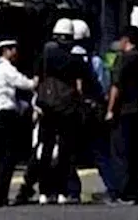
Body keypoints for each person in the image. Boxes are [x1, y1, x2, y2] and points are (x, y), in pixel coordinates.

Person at [35, 18, 84, 204]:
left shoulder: (45, 55)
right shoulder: (74, 59)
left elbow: (36, 79)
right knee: (65, 150)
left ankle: (43, 192)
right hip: (67, 109)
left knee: (45, 148)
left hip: (47, 107)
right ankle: (62, 191)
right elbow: (79, 87)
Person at [106, 26, 138, 205]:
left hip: (123, 110)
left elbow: (116, 86)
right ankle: (137, 192)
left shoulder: (123, 59)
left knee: (121, 152)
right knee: (137, 153)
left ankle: (124, 193)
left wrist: (110, 109)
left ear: (126, 40)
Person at [0, 39, 34, 208]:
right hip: (5, 117)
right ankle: (0, 194)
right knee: (7, 157)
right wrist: (36, 81)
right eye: (14, 49)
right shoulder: (6, 69)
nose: (16, 53)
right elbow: (25, 84)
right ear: (6, 51)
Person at [69, 19, 112, 203]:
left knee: (68, 152)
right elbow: (104, 87)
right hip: (92, 111)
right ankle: (113, 187)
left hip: (70, 111)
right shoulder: (95, 61)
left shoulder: (63, 58)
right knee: (100, 153)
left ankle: (71, 191)